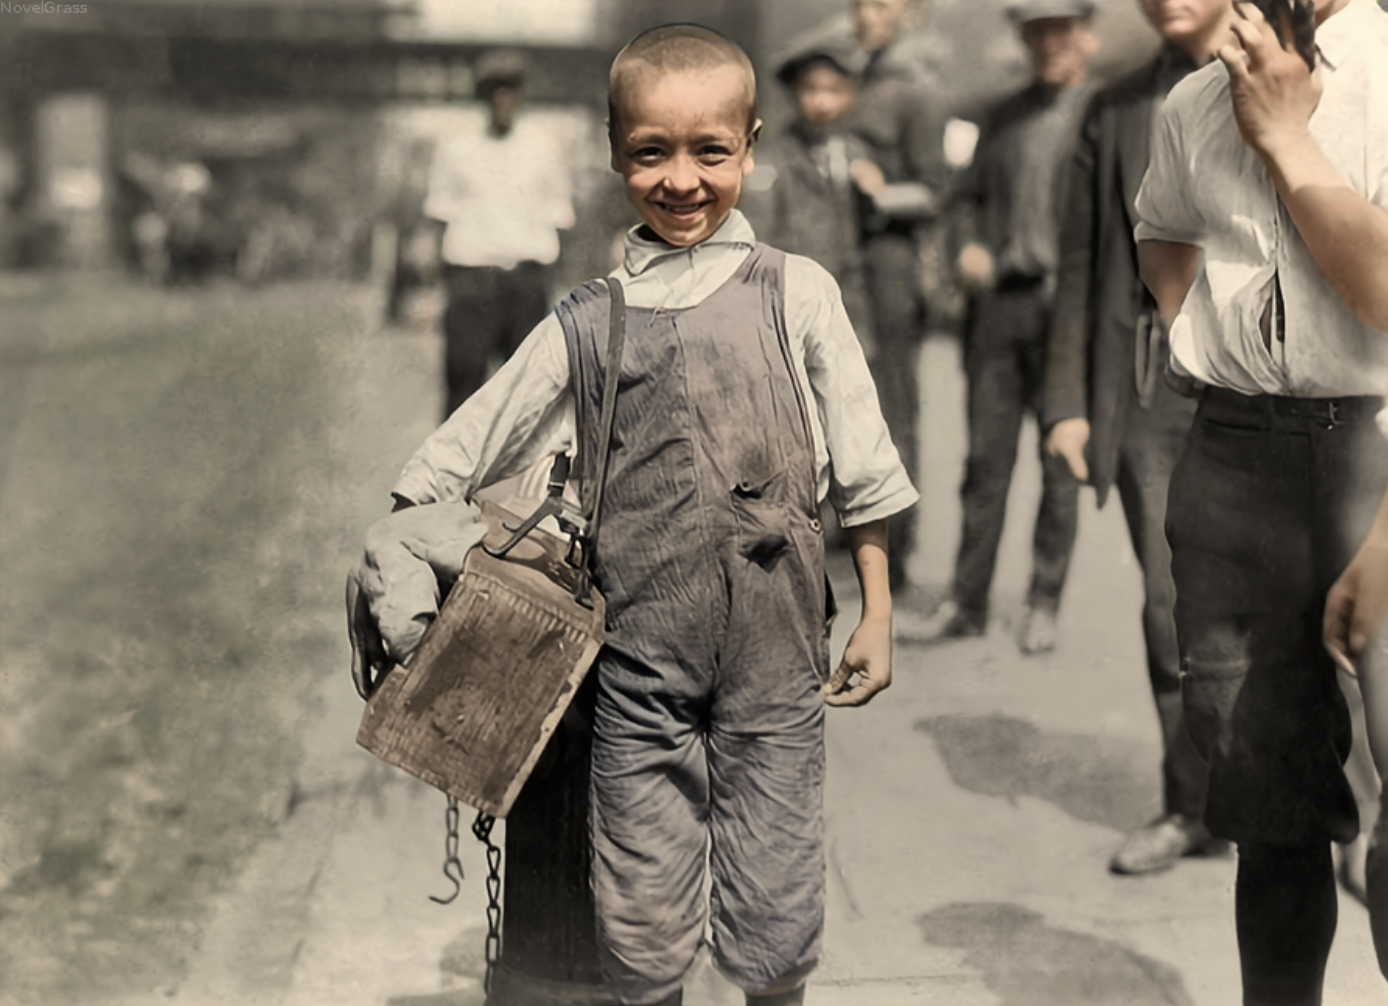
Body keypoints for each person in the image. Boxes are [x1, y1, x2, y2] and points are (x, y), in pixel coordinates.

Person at [355, 24, 917, 1006]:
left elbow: (864, 472)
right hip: (637, 674)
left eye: (710, 151)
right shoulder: (587, 318)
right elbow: (452, 453)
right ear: (615, 154)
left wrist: (874, 607)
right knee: (640, 915)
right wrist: (409, 546)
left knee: (775, 902)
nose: (681, 180)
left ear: (748, 146)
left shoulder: (797, 294)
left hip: (776, 659)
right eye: (650, 152)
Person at [1135, 0, 1388, 999]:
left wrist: (1285, 140)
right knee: (1267, 805)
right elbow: (1161, 234)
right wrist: (1230, 357)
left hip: (1375, 450)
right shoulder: (1193, 100)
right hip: (1235, 456)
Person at [1039, 0, 1234, 875]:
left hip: (1282, 381)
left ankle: (1350, 818)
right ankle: (1191, 807)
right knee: (1170, 609)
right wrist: (1069, 402)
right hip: (1155, 388)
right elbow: (1083, 261)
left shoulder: (1303, 72)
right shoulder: (1116, 107)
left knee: (1313, 608)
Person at [900, 0, 1094, 654]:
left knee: (1060, 465)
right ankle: (967, 601)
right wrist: (969, 245)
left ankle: (1045, 601)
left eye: (1061, 31)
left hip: (1070, 311)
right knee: (985, 462)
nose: (1050, 45)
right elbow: (962, 200)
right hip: (1000, 310)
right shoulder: (1001, 117)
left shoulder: (1103, 116)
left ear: (1085, 36)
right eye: (1037, 33)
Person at [848, 0, 950, 593]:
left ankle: (899, 551)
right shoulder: (852, 78)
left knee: (892, 408)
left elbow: (936, 190)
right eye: (858, 4)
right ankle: (848, 549)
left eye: (881, 4)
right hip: (845, 260)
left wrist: (879, 193)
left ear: (911, 14)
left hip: (891, 260)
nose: (866, 15)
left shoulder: (919, 89)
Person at [424, 49, 575, 417]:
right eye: (493, 89)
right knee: (463, 387)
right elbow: (439, 217)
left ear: (521, 94)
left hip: (525, 281)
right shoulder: (456, 148)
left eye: (509, 88)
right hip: (471, 280)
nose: (502, 98)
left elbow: (560, 219)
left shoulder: (545, 148)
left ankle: (521, 477)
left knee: (527, 399)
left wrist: (552, 285)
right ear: (482, 96)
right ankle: (457, 475)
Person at [741, 40, 878, 358]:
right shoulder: (772, 160)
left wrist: (875, 192)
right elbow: (758, 238)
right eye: (811, 90)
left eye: (833, 90)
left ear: (850, 95)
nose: (822, 102)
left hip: (850, 311)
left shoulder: (858, 155)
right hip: (790, 307)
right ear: (794, 95)